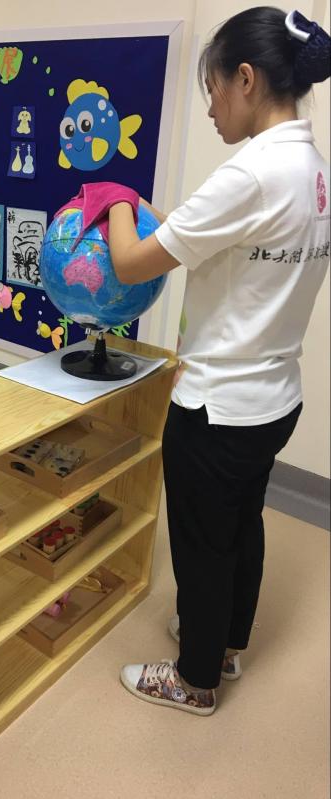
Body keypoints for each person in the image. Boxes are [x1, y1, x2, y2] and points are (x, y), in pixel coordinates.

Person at [109, 7, 331, 715]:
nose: (210, 109)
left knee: (203, 543)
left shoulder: (254, 173)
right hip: (273, 397)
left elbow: (130, 260)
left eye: (213, 90)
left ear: (246, 79)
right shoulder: (314, 171)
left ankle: (195, 678)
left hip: (218, 405)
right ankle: (228, 643)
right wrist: (151, 216)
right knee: (241, 525)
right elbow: (215, 238)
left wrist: (114, 201)